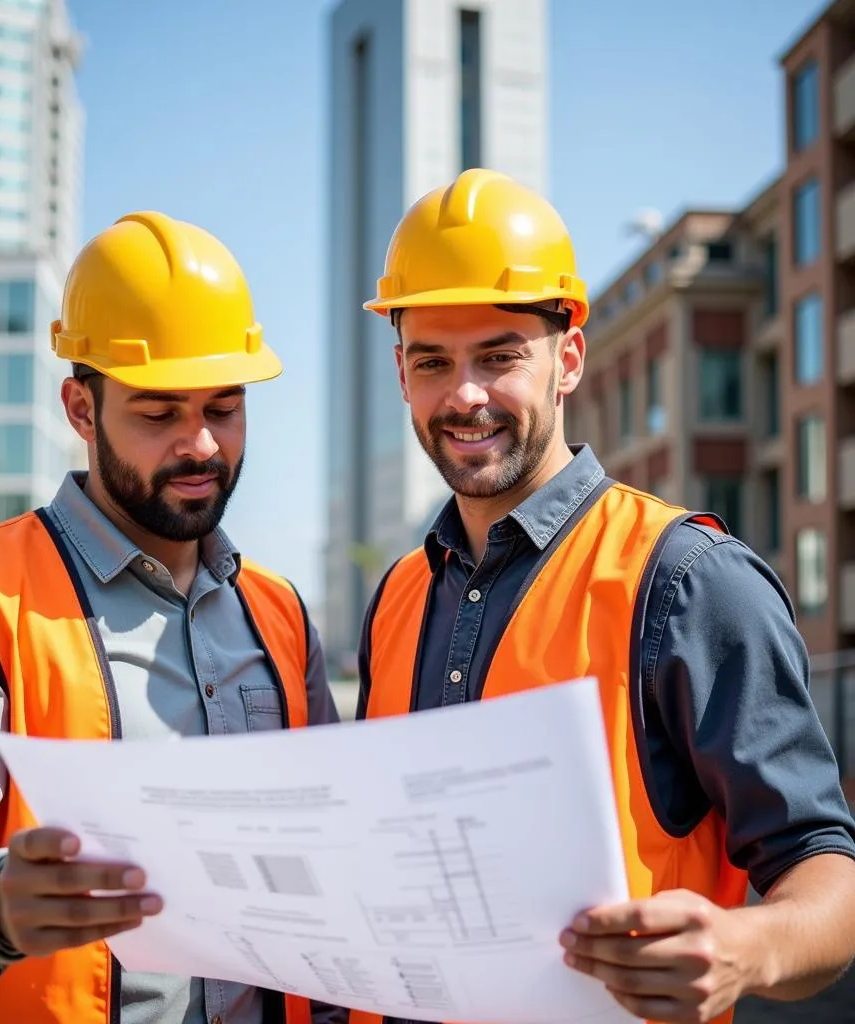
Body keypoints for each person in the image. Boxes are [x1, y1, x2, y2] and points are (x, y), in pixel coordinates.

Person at [353, 168, 855, 1024]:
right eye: (433, 361)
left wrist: (743, 951)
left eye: (501, 355)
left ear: (568, 360)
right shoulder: (401, 592)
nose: (464, 394)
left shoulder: (691, 579)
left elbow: (824, 872)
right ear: (402, 375)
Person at [0, 211, 341, 1024]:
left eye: (224, 408)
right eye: (159, 414)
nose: (201, 445)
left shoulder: (280, 614)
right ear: (82, 409)